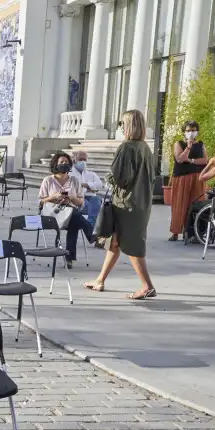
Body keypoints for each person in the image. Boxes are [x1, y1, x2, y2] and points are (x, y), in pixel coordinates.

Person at [85, 110, 157, 300]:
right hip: (141, 202)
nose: (121, 128)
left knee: (131, 244)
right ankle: (100, 279)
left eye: (122, 124)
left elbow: (120, 178)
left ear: (129, 126)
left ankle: (147, 285)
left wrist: (109, 177)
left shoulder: (127, 147)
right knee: (114, 241)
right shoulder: (145, 148)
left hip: (127, 203)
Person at [38, 152, 96, 267]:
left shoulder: (74, 181)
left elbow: (81, 202)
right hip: (53, 215)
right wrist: (54, 197)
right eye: (61, 162)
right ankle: (92, 235)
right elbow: (40, 201)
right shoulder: (48, 180)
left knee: (74, 219)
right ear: (56, 164)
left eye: (66, 162)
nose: (64, 164)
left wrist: (70, 198)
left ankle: (70, 260)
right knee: (75, 215)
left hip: (70, 213)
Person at [167, 120, 208, 241]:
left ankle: (191, 231)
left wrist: (191, 161)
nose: (191, 133)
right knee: (180, 204)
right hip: (182, 177)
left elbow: (205, 160)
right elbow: (180, 158)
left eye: (193, 130)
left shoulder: (201, 144)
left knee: (196, 204)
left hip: (197, 176)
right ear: (184, 132)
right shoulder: (179, 143)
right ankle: (175, 231)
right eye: (188, 130)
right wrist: (189, 147)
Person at [74, 150, 109, 225]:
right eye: (80, 159)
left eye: (84, 160)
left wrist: (87, 185)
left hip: (90, 199)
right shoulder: (70, 173)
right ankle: (90, 227)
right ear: (75, 159)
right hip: (76, 199)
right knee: (91, 204)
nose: (83, 162)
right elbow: (73, 186)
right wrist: (90, 188)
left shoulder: (91, 174)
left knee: (97, 199)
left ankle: (90, 224)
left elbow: (99, 185)